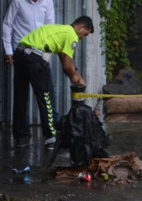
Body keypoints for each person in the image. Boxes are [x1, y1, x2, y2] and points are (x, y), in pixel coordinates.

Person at [12, 16, 93, 149]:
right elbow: (67, 66)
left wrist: (76, 74)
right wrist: (74, 78)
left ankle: (21, 138)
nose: (82, 38)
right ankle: (51, 138)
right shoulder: (71, 34)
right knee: (46, 97)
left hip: (20, 53)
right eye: (84, 34)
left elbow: (64, 58)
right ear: (80, 28)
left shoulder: (60, 30)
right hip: (35, 58)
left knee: (20, 97)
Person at [3, 0, 57, 142]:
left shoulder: (47, 1)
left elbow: (50, 30)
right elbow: (7, 25)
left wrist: (47, 57)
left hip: (40, 54)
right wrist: (8, 51)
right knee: (20, 94)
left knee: (46, 93)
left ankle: (51, 134)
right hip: (20, 53)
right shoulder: (17, 0)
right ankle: (21, 136)